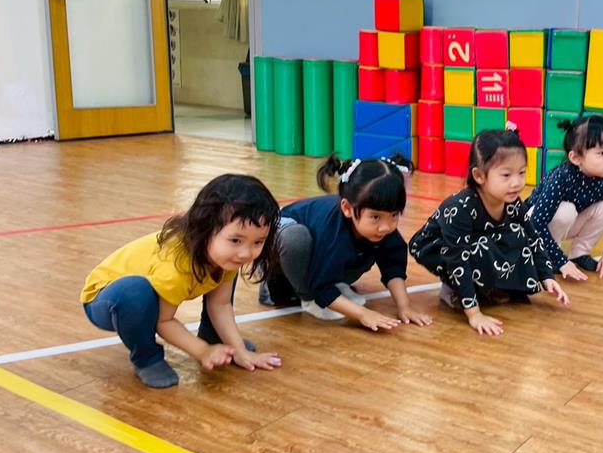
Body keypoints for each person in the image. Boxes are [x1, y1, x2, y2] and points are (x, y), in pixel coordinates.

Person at [80, 174, 283, 389]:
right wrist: (202, 351)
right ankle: (147, 358)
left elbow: (220, 304)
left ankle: (212, 335)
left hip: (139, 298)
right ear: (206, 228)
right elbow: (163, 321)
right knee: (135, 292)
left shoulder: (226, 255)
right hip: (104, 300)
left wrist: (240, 351)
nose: (245, 253)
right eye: (236, 240)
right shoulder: (176, 264)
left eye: (258, 242)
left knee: (226, 264)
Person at [410, 129, 568, 336]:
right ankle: (451, 290)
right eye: (506, 175)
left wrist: (547, 276)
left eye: (521, 173)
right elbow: (456, 257)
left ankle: (493, 288)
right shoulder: (460, 207)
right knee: (481, 246)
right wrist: (474, 314)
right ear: (479, 176)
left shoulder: (512, 202)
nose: (517, 182)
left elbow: (532, 238)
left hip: (476, 243)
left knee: (517, 236)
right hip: (438, 249)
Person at [260, 155, 432, 331]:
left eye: (394, 215)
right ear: (347, 208)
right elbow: (320, 286)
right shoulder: (332, 234)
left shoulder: (379, 227)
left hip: (319, 259)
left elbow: (393, 265)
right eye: (375, 217)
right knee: (295, 238)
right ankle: (308, 298)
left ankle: (332, 286)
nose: (385, 226)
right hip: (279, 267)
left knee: (371, 243)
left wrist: (404, 307)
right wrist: (362, 314)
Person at [525, 115, 603, 281]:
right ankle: (546, 257)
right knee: (566, 210)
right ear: (575, 158)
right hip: (530, 227)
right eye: (602, 153)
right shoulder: (563, 177)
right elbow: (536, 223)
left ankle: (579, 253)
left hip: (567, 223)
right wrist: (560, 260)